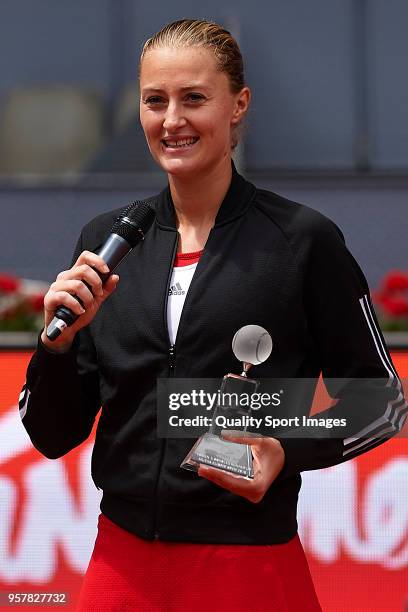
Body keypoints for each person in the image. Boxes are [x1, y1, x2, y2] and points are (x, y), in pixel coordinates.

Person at [19, 19, 406, 612]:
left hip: (247, 569)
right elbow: (51, 435)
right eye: (155, 101)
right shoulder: (106, 241)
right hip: (119, 567)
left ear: (238, 106)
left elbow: (381, 401)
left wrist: (284, 449)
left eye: (193, 98)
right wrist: (57, 348)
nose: (172, 120)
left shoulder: (302, 241)